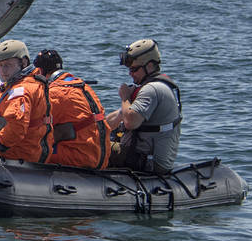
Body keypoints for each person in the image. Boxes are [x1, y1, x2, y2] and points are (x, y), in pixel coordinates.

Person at [105, 39, 182, 174]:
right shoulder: (149, 88)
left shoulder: (152, 90)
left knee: (92, 148)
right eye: (129, 69)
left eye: (134, 69)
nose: (130, 73)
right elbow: (119, 116)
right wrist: (94, 128)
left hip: (149, 163)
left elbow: (130, 122)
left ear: (150, 65)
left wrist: (125, 97)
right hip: (139, 155)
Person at [33, 49, 111, 170]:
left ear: (41, 72)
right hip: (101, 157)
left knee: (29, 149)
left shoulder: (55, 93)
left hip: (81, 158)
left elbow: (34, 125)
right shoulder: (84, 87)